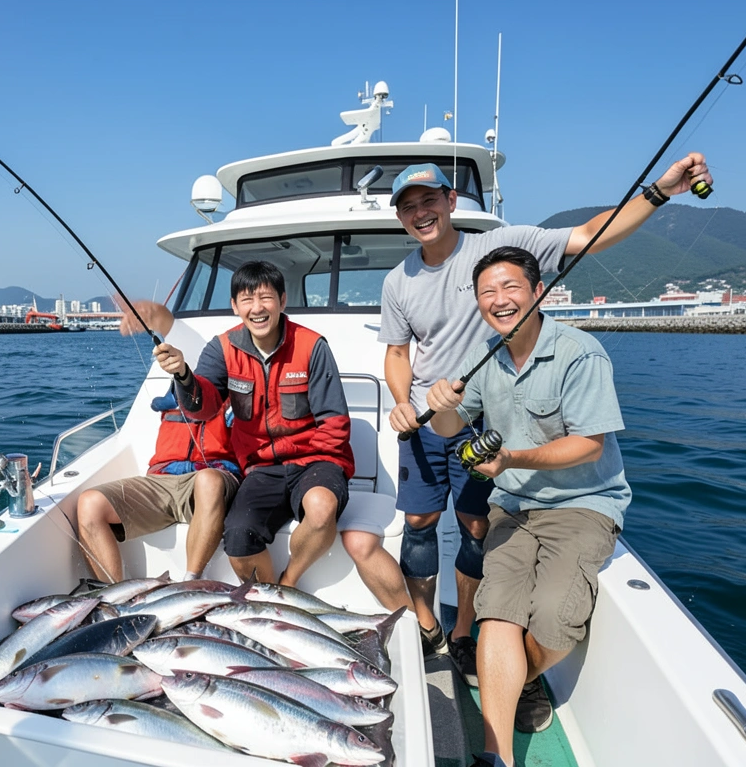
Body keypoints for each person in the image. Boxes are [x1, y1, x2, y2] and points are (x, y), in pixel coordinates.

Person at [381, 155, 709, 674]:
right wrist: (404, 401)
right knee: (419, 522)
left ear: (451, 200)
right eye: (408, 207)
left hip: (482, 420)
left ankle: (463, 628)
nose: (421, 213)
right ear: (401, 217)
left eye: (429, 200)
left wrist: (660, 192)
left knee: (475, 525)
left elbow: (587, 235)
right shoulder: (398, 280)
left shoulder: (500, 248)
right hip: (429, 417)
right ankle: (426, 625)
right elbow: (398, 352)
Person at [426, 246, 631, 767]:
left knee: (557, 621)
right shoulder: (484, 355)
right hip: (511, 507)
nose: (499, 299)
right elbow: (449, 428)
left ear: (538, 291)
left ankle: (523, 678)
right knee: (496, 613)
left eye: (511, 286)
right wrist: (440, 406)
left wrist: (512, 458)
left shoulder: (580, 353)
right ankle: (497, 758)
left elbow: (589, 445)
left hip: (582, 505)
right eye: (487, 292)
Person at [154, 261, 359, 587]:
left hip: (316, 461)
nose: (257, 308)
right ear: (235, 306)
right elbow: (204, 408)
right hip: (261, 468)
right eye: (247, 299)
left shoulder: (312, 346)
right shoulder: (222, 348)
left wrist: (307, 463)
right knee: (237, 539)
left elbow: (335, 423)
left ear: (282, 300)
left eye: (265, 297)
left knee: (321, 510)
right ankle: (268, 597)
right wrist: (183, 374)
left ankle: (288, 583)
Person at [75, 307, 240, 583]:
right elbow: (163, 317)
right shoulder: (177, 389)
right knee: (90, 503)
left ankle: (189, 583)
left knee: (209, 481)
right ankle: (115, 595)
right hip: (162, 481)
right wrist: (144, 312)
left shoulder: (240, 393)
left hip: (213, 480)